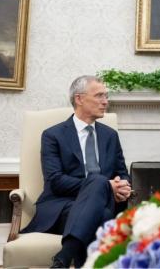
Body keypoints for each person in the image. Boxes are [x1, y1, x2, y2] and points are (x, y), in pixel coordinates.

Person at [21, 75, 132, 268]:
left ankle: (64, 257)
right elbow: (55, 181)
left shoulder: (110, 136)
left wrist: (123, 186)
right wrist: (106, 186)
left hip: (102, 204)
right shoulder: (53, 135)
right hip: (62, 206)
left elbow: (122, 173)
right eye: (99, 96)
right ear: (79, 99)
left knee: (100, 201)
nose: (106, 101)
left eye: (106, 96)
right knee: (101, 201)